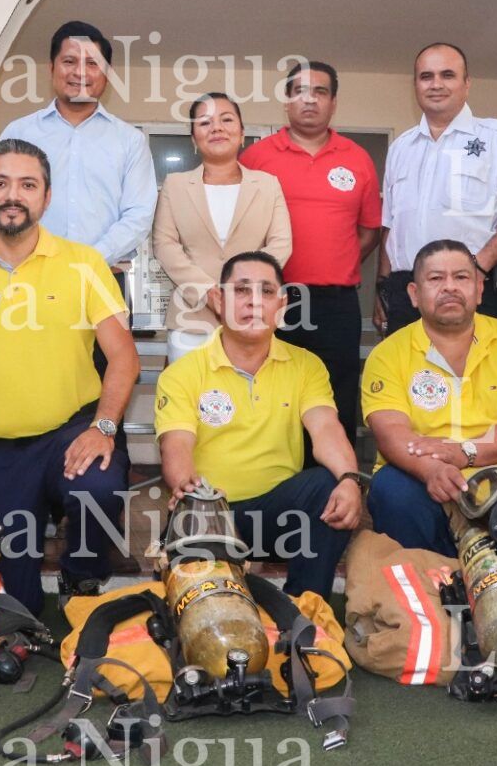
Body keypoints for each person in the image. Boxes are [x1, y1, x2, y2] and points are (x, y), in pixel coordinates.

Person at [0, 139, 138, 613]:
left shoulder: (85, 264)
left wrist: (103, 429)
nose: (12, 195)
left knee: (96, 489)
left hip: (70, 434)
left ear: (46, 197)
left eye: (27, 184)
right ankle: (27, 593)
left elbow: (124, 358)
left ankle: (82, 580)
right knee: (14, 607)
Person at [154, 251, 362, 598]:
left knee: (329, 484)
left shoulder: (306, 366)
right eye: (241, 290)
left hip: (277, 518)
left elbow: (326, 429)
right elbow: (176, 447)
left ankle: (303, 613)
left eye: (266, 292)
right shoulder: (183, 374)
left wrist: (351, 479)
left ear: (281, 305)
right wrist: (187, 489)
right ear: (219, 300)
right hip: (210, 513)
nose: (254, 302)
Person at [361, 240, 497, 555]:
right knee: (390, 490)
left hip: (496, 485)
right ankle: (432, 580)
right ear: (413, 294)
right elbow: (391, 434)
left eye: (461, 278)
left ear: (479, 289)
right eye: (435, 279)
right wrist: (432, 470)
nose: (449, 287)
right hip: (420, 482)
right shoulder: (387, 354)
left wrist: (465, 453)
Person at [241, 61, 381, 441]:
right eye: (300, 91)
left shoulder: (357, 159)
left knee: (337, 394)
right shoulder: (256, 158)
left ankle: (338, 484)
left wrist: (339, 260)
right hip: (273, 300)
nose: (310, 100)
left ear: (333, 103)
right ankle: (276, 482)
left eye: (320, 92)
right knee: (272, 393)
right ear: (286, 101)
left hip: (336, 303)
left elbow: (369, 231)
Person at [376, 43, 497, 334]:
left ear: (467, 84)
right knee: (406, 377)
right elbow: (390, 225)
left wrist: (478, 267)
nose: (436, 84)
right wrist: (383, 286)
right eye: (426, 76)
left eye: (447, 75)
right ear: (415, 85)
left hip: (469, 287)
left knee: (473, 378)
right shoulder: (401, 147)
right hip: (406, 292)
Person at [0, 21, 157, 275]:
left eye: (92, 64)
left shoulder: (130, 141)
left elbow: (138, 214)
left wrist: (89, 260)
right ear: (52, 68)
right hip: (29, 274)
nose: (79, 72)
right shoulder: (19, 133)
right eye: (69, 61)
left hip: (104, 276)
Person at [152, 92, 291, 363]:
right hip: (191, 317)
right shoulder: (175, 185)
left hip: (254, 315)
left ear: (241, 134)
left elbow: (281, 243)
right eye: (204, 123)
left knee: (251, 400)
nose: (216, 127)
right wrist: (206, 291)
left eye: (226, 120)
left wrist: (244, 291)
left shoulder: (268, 184)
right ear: (194, 139)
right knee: (188, 400)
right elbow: (164, 244)